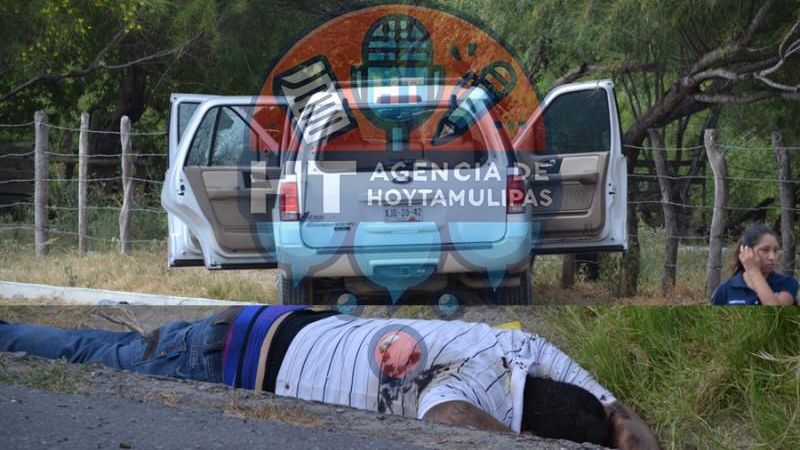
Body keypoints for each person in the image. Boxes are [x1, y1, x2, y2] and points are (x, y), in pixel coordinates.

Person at [0, 305, 659, 449]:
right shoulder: (459, 396)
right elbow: (451, 426)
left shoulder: (518, 350)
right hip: (221, 360)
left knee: (100, 345)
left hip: (261, 326)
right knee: (89, 355)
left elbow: (622, 414)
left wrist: (614, 422)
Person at [711, 225, 798, 305]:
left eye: (775, 251)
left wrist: (754, 271)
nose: (772, 257)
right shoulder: (725, 289)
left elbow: (777, 312)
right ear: (746, 251)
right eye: (765, 250)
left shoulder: (787, 283)